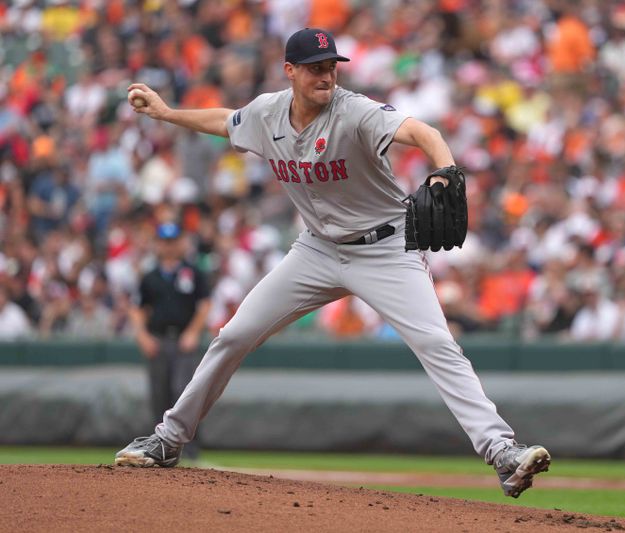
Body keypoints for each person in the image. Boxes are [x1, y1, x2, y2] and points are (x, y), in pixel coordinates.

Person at [114, 28, 550, 498]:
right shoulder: (267, 113)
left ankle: (501, 450)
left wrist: (445, 172)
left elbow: (425, 133)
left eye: (331, 66)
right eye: (316, 67)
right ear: (291, 71)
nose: (326, 75)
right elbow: (226, 121)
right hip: (316, 250)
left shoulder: (354, 111)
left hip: (386, 248)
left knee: (436, 343)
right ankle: (168, 440)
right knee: (234, 334)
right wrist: (165, 113)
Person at [129, 222, 211, 461]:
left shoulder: (193, 272)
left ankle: (191, 449)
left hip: (183, 340)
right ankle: (159, 448)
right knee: (159, 395)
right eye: (165, 241)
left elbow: (205, 305)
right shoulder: (150, 276)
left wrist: (193, 332)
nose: (169, 246)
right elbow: (137, 309)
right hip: (159, 340)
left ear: (181, 243)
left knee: (184, 393)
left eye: (173, 241)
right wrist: (142, 336)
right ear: (158, 244)